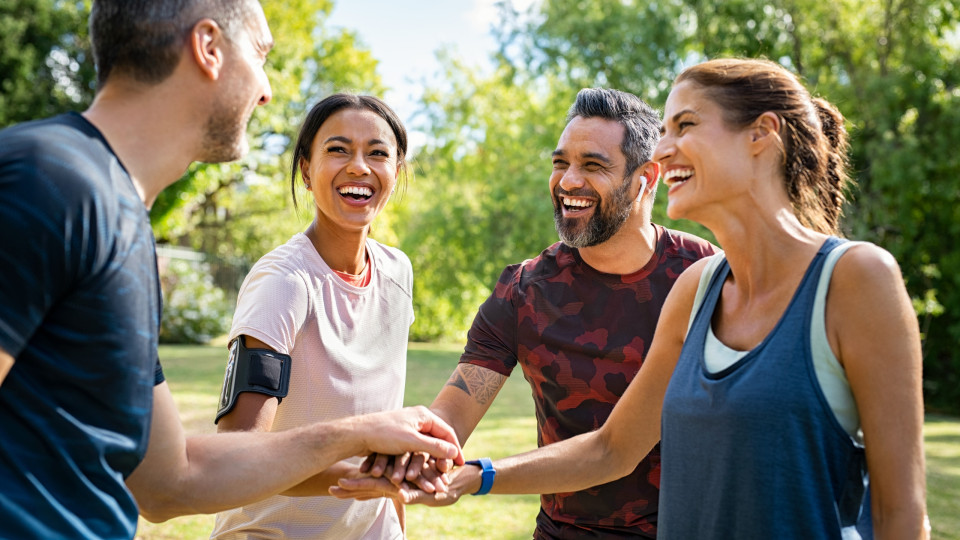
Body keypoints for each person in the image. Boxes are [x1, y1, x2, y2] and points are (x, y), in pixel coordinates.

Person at [336, 58, 929, 539]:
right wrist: (424, 461)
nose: (666, 149)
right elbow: (609, 448)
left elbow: (901, 512)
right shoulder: (675, 293)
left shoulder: (826, 278)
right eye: (561, 163)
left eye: (685, 127)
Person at [0, 2, 461, 539]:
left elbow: (170, 483)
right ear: (209, 48)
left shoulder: (124, 226)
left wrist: (368, 443)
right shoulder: (45, 181)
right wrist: (361, 435)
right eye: (261, 55)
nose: (266, 90)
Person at [357, 87, 717, 538]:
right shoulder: (523, 292)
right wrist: (411, 457)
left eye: (593, 165)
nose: (567, 181)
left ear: (646, 178)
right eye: (560, 162)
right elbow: (452, 416)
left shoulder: (706, 276)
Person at [209, 94, 434, 539]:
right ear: (307, 170)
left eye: (377, 153)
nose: (358, 166)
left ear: (397, 171)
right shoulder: (283, 283)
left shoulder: (397, 272)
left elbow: (382, 419)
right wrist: (371, 474)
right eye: (337, 149)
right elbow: (236, 458)